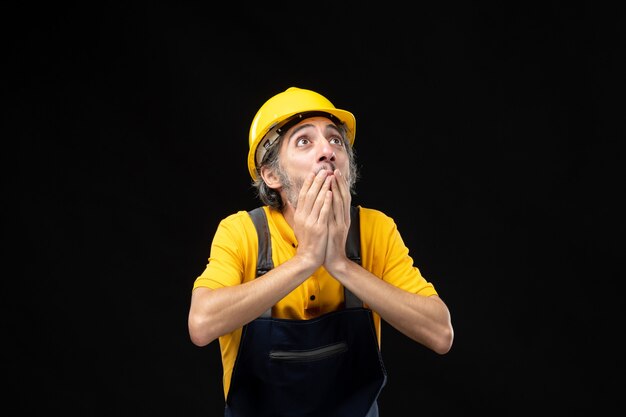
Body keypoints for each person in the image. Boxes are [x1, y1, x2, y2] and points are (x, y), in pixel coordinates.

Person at [188, 86, 454, 417]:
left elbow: (441, 333)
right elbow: (201, 324)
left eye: (335, 140)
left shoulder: (376, 230)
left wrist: (341, 265)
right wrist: (305, 262)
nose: (327, 151)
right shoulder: (242, 233)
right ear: (272, 175)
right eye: (304, 141)